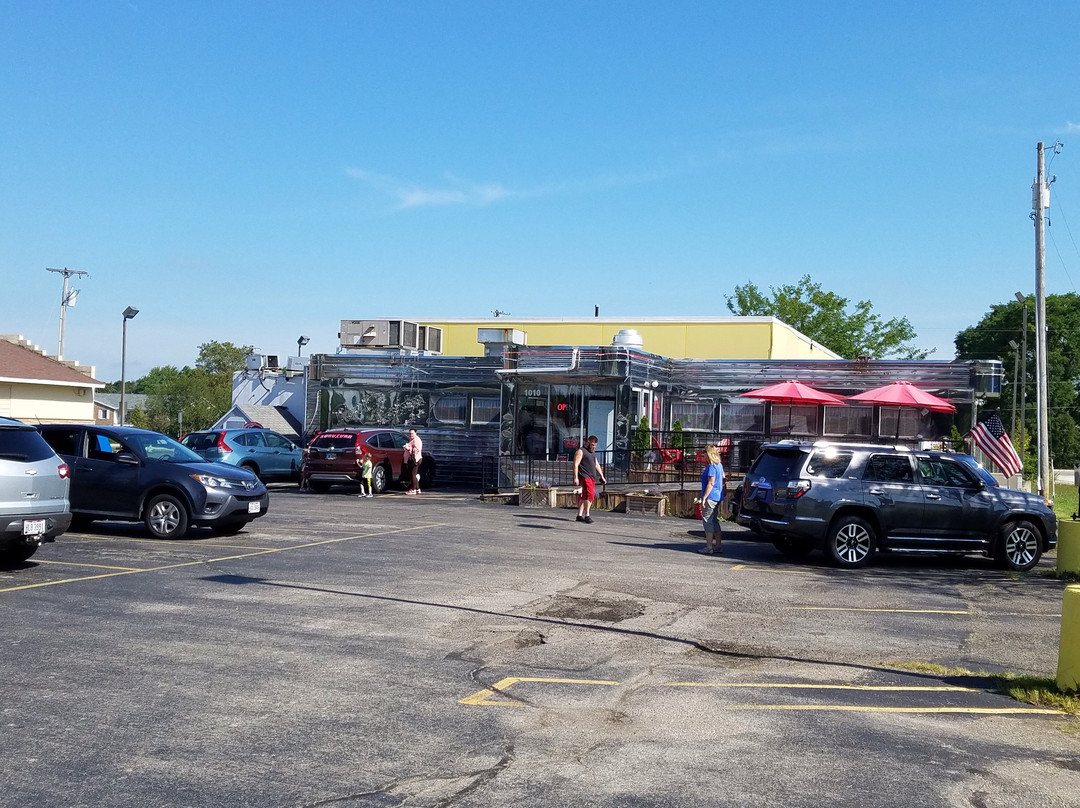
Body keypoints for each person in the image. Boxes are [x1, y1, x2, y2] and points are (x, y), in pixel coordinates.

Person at [573, 435, 607, 524]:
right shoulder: (580, 451)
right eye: (592, 445)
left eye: (595, 445)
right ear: (587, 442)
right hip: (584, 476)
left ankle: (579, 515)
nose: (593, 447)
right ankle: (587, 515)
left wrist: (602, 476)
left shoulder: (592, 452)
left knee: (584, 496)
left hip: (592, 477)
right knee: (589, 495)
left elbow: (596, 464)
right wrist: (576, 477)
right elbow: (576, 464)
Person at [698, 443, 725, 554]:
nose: (703, 454)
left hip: (710, 497)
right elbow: (724, 478)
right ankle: (718, 546)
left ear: (708, 453)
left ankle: (709, 547)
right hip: (718, 496)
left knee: (707, 521)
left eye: (704, 452)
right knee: (714, 520)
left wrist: (704, 498)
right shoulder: (719, 465)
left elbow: (711, 483)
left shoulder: (711, 467)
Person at [403, 428, 423, 494]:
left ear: (415, 433)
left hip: (415, 460)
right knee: (413, 474)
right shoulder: (412, 439)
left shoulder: (417, 440)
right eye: (410, 433)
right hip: (413, 460)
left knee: (413, 474)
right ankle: (417, 489)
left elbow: (417, 450)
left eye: (412, 433)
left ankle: (413, 489)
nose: (410, 435)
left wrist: (408, 448)